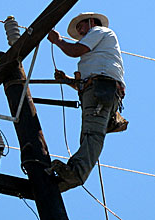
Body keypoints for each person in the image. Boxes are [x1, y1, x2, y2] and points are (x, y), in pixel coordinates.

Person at [46, 12, 126, 191]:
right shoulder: (98, 49)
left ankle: (76, 173)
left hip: (102, 89)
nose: (79, 31)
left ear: (91, 22)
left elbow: (74, 51)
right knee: (89, 133)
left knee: (92, 134)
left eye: (80, 26)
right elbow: (87, 81)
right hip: (98, 89)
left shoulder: (100, 31)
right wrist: (67, 80)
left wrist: (57, 40)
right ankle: (71, 175)